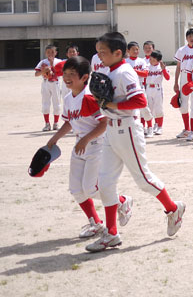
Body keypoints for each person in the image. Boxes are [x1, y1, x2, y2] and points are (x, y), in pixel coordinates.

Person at [86, 32, 185, 252]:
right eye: (98, 51)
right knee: (105, 183)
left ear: (117, 53)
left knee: (143, 180)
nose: (99, 56)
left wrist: (112, 106)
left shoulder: (124, 73)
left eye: (103, 52)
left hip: (128, 130)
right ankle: (111, 233)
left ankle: (173, 208)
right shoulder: (107, 70)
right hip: (111, 131)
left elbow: (139, 100)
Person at [46, 56, 131, 238]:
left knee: (91, 188)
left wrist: (85, 140)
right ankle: (96, 223)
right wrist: (54, 139)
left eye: (72, 74)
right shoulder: (69, 98)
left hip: (96, 146)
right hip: (80, 145)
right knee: (76, 189)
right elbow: (69, 123)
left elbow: (104, 123)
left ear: (85, 77)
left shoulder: (90, 97)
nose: (67, 77)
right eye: (65, 74)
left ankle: (122, 201)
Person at [174, 29, 193, 139]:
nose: (192, 38)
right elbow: (178, 67)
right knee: (183, 105)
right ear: (186, 38)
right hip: (184, 76)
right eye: (189, 36)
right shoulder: (181, 50)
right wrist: (176, 82)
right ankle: (187, 129)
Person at [125, 41, 153, 134]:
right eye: (133, 49)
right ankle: (140, 128)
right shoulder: (125, 62)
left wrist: (133, 71)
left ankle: (150, 127)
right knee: (133, 110)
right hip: (129, 88)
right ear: (128, 51)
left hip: (140, 86)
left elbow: (145, 74)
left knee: (144, 107)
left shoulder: (142, 61)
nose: (136, 51)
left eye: (137, 49)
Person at [35, 45, 64, 131]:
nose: (50, 54)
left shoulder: (59, 61)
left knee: (57, 103)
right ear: (45, 53)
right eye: (48, 52)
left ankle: (56, 123)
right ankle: (47, 124)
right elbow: (36, 74)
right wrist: (43, 71)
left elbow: (61, 73)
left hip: (55, 83)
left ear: (56, 52)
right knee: (45, 103)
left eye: (52, 52)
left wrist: (52, 65)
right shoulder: (42, 62)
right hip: (46, 83)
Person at [145, 50, 170, 136]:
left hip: (157, 88)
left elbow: (168, 78)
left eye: (154, 60)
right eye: (151, 59)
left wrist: (163, 70)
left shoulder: (161, 67)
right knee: (149, 109)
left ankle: (159, 127)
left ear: (159, 60)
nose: (151, 61)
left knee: (158, 108)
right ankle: (150, 127)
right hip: (148, 88)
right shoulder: (147, 66)